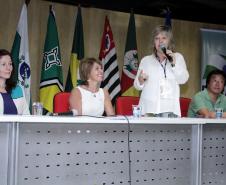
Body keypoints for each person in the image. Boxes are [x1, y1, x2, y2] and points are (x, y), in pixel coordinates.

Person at [134, 25, 189, 117]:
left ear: (169, 41)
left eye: (164, 38)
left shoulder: (178, 57)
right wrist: (140, 80)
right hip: (148, 110)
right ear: (154, 42)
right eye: (157, 38)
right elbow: (137, 86)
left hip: (170, 110)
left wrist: (173, 64)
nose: (160, 41)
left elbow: (183, 80)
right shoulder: (146, 60)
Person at [0, 49, 30, 115]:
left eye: (10, 64)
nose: (8, 68)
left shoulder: (17, 89)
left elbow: (26, 116)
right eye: (3, 64)